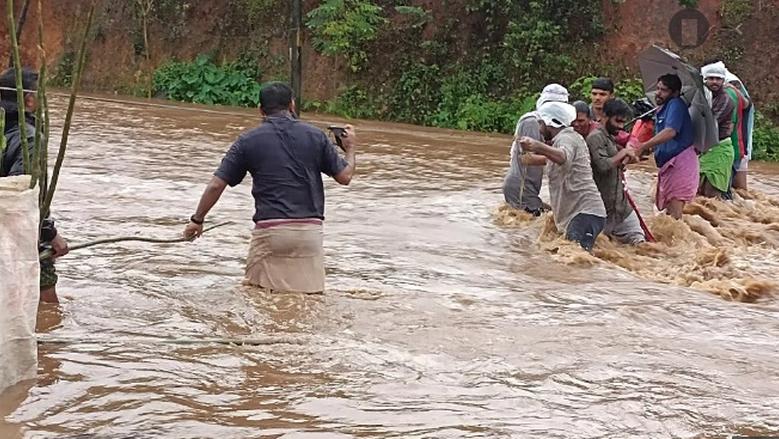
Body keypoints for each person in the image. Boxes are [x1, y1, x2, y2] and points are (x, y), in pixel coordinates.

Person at [182, 82, 356, 294]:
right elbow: (345, 177)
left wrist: (197, 220)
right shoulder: (315, 136)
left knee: (257, 296)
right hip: (310, 233)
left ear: (261, 110)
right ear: (292, 105)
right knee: (312, 300)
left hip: (271, 233)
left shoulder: (248, 141)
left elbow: (217, 184)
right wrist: (350, 149)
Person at [0, 68, 69, 303]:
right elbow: (24, 196)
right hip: (19, 235)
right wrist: (51, 234)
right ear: (29, 99)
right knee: (46, 304)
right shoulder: (29, 137)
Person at [518, 101, 607, 252]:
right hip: (581, 214)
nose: (539, 129)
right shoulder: (566, 139)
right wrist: (533, 159)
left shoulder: (566, 138)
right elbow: (562, 161)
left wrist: (537, 146)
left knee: (572, 258)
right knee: (567, 258)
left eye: (541, 124)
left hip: (585, 213)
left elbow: (563, 157)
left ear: (549, 123)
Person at [635, 74, 697, 220]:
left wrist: (644, 145)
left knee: (674, 215)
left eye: (664, 90)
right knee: (668, 214)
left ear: (675, 93)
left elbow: (670, 132)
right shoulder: (663, 108)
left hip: (679, 163)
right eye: (657, 88)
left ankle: (677, 242)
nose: (658, 93)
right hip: (669, 163)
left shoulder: (676, 104)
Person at [585, 98, 646, 245]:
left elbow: (616, 161)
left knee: (642, 246)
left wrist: (628, 158)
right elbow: (603, 165)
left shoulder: (611, 137)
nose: (621, 126)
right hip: (601, 210)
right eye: (617, 121)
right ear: (605, 116)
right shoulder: (595, 137)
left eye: (623, 122)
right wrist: (623, 152)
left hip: (622, 208)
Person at [502, 83, 568, 215]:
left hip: (530, 187)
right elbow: (526, 158)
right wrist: (560, 158)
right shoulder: (532, 122)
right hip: (521, 187)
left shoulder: (551, 124)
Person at [699, 62, 735, 199]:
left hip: (720, 150)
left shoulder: (725, 100)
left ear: (723, 81)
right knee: (699, 194)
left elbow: (710, 122)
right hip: (705, 150)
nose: (714, 82)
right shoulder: (704, 98)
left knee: (712, 197)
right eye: (711, 78)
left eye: (718, 79)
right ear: (705, 80)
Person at [723, 65, 753, 191]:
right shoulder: (731, 87)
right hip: (739, 146)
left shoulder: (730, 89)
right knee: (739, 191)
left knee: (732, 189)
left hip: (735, 145)